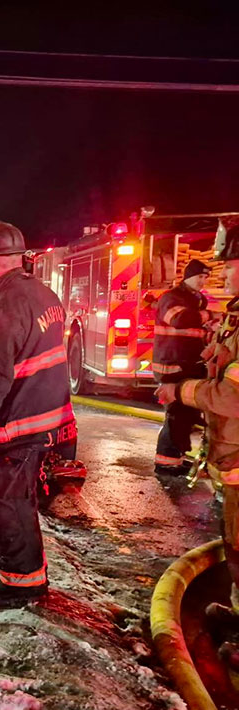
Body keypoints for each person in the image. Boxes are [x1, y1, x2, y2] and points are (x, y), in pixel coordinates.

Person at [0, 221, 76, 609]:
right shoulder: (41, 292)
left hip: (14, 428)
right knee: (21, 502)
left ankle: (21, 585)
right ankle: (26, 575)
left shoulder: (4, 306)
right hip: (45, 421)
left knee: (2, 504)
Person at [156, 223, 239, 660]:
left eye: (227, 267)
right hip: (175, 370)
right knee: (235, 541)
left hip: (194, 391)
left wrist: (189, 387)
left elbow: (233, 395)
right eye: (210, 272)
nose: (218, 276)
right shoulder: (184, 301)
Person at [152, 259, 212, 475]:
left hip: (187, 366)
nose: (203, 282)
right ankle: (165, 462)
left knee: (185, 415)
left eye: (206, 278)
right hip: (171, 367)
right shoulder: (172, 298)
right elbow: (179, 319)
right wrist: (209, 316)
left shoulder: (196, 300)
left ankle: (175, 457)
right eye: (200, 277)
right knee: (176, 415)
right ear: (188, 276)